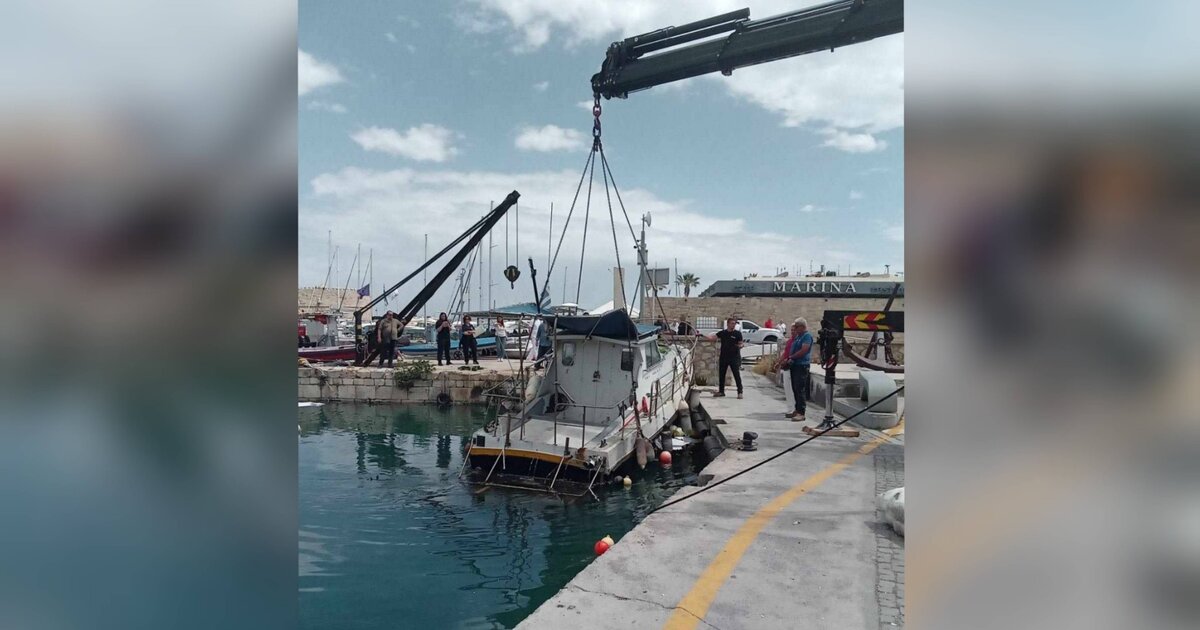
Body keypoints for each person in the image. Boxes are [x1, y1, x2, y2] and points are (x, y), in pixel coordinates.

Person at [775, 318, 813, 420]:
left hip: (801, 365)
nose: (795, 329)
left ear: (802, 327)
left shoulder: (806, 336)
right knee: (795, 389)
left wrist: (791, 357)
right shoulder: (798, 337)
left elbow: (804, 350)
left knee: (800, 389)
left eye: (797, 327)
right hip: (794, 365)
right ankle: (797, 409)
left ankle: (801, 412)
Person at [705, 317, 744, 398]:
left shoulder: (737, 334)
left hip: (734, 357)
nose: (733, 325)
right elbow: (712, 338)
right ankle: (721, 392)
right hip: (724, 357)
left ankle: (740, 392)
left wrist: (740, 346)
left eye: (734, 324)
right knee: (722, 375)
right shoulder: (723, 333)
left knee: (736, 375)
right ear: (728, 324)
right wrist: (702, 335)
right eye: (732, 323)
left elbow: (741, 343)